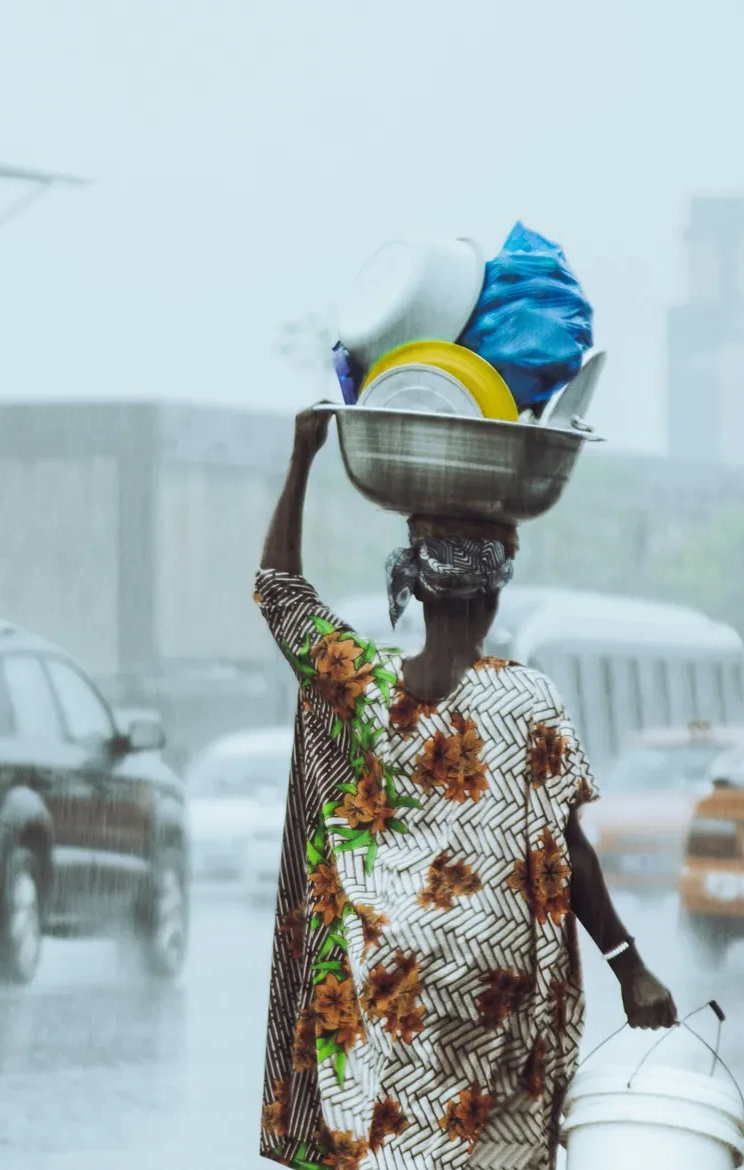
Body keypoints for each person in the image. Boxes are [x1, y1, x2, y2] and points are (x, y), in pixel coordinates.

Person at [254, 406, 677, 1170]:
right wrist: (628, 965)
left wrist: (302, 456)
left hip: (388, 985)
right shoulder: (529, 699)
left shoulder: (363, 686)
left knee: (394, 1153)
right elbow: (567, 855)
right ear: (491, 600)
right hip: (496, 994)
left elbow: (278, 590)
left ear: (416, 593)